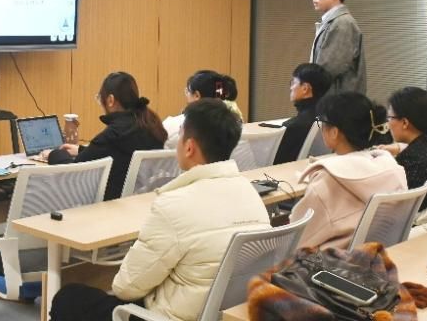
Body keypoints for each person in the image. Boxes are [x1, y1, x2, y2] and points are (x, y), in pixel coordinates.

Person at [49, 99, 271, 321]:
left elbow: (125, 287)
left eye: (180, 135)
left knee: (68, 298)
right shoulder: (251, 194)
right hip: (224, 313)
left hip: (169, 316)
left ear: (189, 147)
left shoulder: (174, 205)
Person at [291, 92, 406, 250]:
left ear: (334, 132)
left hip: (329, 263)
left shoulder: (328, 181)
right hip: (376, 257)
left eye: (322, 122)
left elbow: (295, 239)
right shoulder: (392, 168)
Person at [46, 72, 166, 200]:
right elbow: (116, 154)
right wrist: (81, 150)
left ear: (110, 100)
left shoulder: (114, 134)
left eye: (99, 98)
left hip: (108, 204)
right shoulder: (151, 124)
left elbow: (72, 172)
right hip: (140, 202)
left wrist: (54, 154)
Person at [309, 0, 366, 94]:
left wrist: (306, 82)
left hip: (338, 100)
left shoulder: (342, 23)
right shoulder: (333, 22)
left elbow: (330, 68)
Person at [162, 70, 243, 149]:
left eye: (188, 91)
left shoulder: (172, 126)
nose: (186, 94)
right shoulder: (238, 128)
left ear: (197, 95)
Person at [273, 63, 332, 164]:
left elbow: (276, 163)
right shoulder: (329, 118)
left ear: (305, 88)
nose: (291, 88)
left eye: (293, 83)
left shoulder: (293, 126)